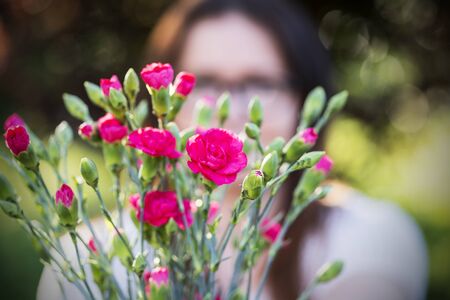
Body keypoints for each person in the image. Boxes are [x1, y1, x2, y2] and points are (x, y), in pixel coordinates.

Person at [38, 0, 428, 299]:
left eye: (260, 83)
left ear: (305, 100)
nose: (232, 109)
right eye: (204, 81)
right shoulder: (90, 261)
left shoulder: (370, 235)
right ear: (162, 105)